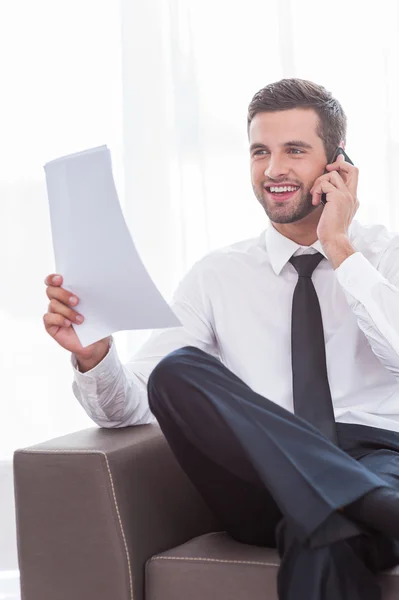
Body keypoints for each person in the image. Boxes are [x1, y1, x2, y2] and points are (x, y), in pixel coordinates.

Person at [43, 78, 399, 600]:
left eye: (294, 151)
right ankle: (377, 507)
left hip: (378, 456)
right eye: (260, 151)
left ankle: (353, 504)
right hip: (261, 475)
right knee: (176, 370)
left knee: (322, 536)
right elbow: (130, 408)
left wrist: (341, 248)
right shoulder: (217, 275)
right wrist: (96, 356)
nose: (274, 169)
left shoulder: (384, 257)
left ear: (338, 164)